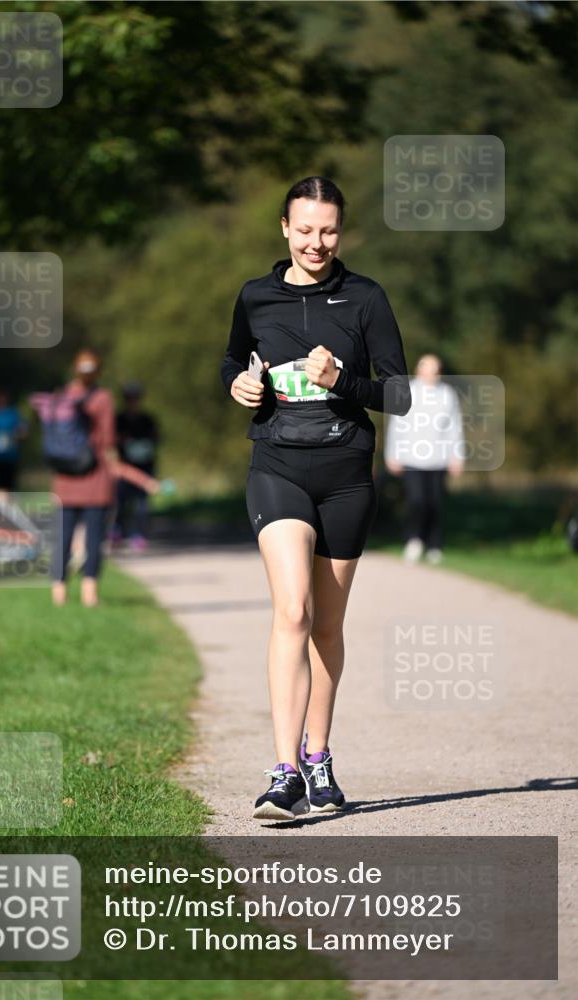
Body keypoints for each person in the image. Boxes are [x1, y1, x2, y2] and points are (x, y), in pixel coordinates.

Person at [221, 176, 411, 820]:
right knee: (293, 611)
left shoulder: (365, 298)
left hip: (347, 475)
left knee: (326, 625)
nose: (316, 242)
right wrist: (241, 388)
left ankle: (320, 756)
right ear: (284, 228)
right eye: (305, 229)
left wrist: (343, 380)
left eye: (328, 229)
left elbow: (402, 395)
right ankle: (284, 773)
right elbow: (231, 364)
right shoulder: (255, 296)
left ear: (341, 231)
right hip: (276, 466)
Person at [46, 349, 160, 608]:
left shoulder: (60, 396)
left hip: (64, 479)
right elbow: (108, 441)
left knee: (63, 537)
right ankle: (89, 595)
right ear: (96, 372)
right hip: (95, 479)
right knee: (94, 538)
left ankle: (59, 594)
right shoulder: (103, 398)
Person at [385, 354, 464, 565]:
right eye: (428, 368)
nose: (432, 373)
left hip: (439, 458)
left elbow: (454, 427)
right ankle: (413, 540)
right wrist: (392, 454)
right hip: (411, 457)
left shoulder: (447, 394)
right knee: (416, 501)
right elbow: (396, 425)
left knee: (435, 503)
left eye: (436, 369)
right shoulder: (407, 391)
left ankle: (435, 545)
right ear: (419, 370)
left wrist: (457, 455)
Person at [113, 382, 159, 552]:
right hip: (123, 470)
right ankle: (116, 532)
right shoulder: (119, 420)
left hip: (144, 468)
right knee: (120, 503)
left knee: (141, 506)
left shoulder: (148, 420)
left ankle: (138, 535)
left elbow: (154, 443)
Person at [0, 389, 27, 498]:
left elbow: (23, 431)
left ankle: (6, 510)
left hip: (10, 457)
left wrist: (17, 435)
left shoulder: (13, 413)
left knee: (9, 488)